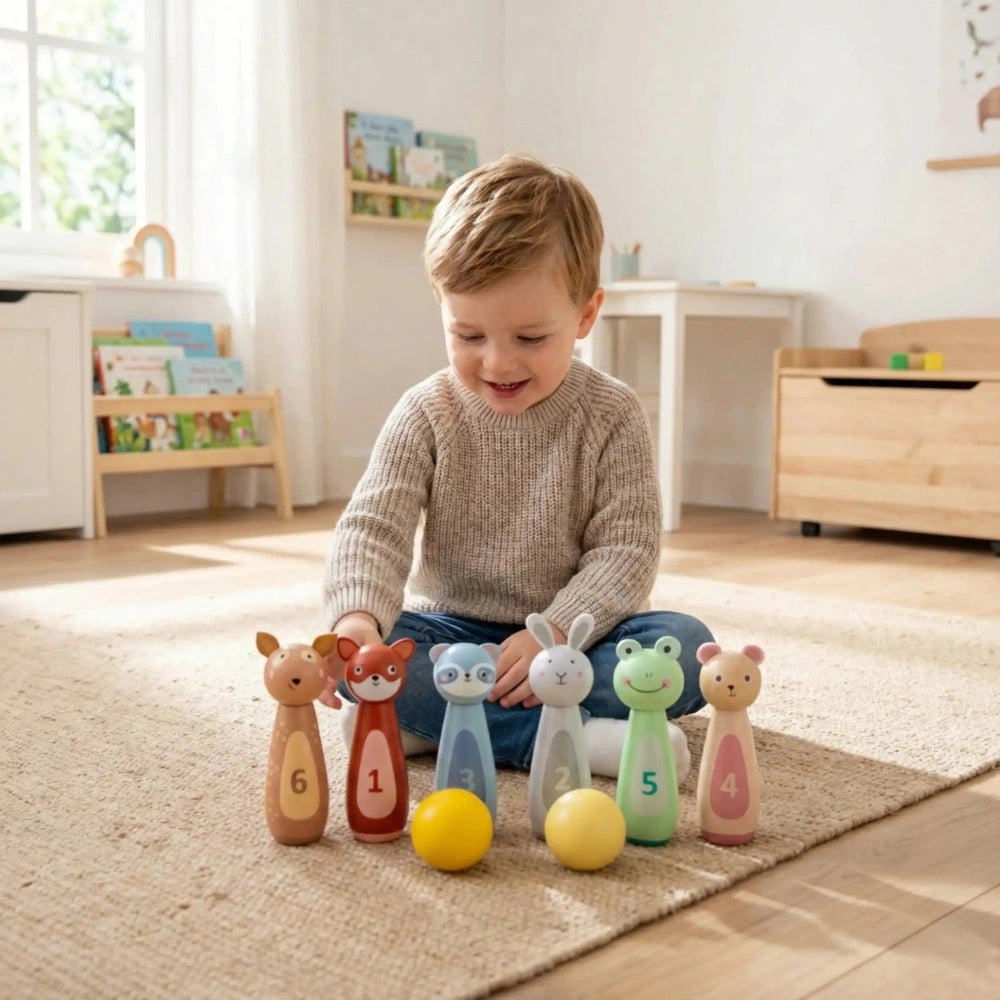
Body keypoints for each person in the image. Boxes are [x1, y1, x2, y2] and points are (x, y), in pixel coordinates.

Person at [322, 153, 712, 780]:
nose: (498, 363)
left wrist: (552, 633)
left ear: (585, 315)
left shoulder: (613, 413)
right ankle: (574, 739)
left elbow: (626, 553)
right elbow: (373, 528)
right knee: (366, 664)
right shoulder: (426, 411)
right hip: (451, 633)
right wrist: (358, 623)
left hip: (576, 638)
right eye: (468, 336)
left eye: (530, 338)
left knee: (686, 650)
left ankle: (434, 721)